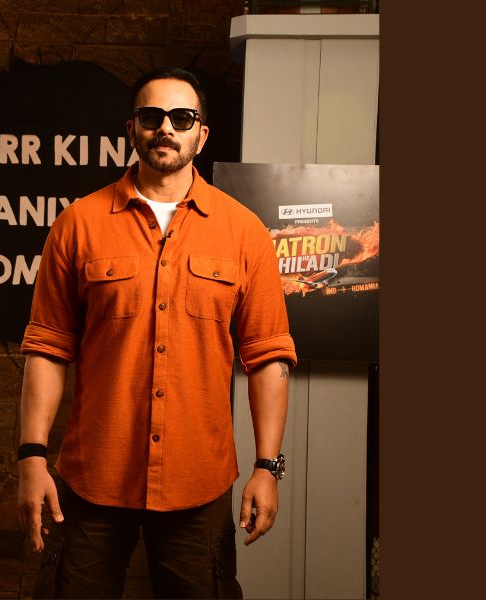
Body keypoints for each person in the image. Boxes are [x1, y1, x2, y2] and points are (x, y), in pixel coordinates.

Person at [17, 66, 297, 599]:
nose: (166, 127)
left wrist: (267, 467)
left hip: (199, 482)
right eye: (152, 116)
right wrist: (31, 456)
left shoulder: (245, 233)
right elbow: (48, 348)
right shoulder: (78, 224)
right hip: (94, 478)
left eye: (182, 117)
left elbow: (268, 357)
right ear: (132, 129)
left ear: (201, 134)